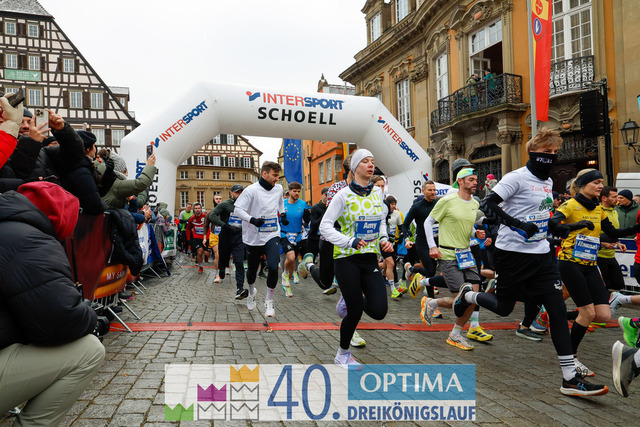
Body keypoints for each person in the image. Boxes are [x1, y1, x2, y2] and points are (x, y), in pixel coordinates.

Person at [453, 129, 608, 395]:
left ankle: (569, 379)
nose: (551, 156)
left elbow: (541, 217)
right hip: (511, 254)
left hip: (542, 254)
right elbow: (488, 205)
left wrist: (565, 228)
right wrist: (518, 225)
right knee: (503, 308)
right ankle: (468, 295)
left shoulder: (547, 181)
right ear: (533, 152)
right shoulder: (516, 177)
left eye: (555, 152)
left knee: (557, 309)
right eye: (546, 151)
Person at [0, 181, 106, 424]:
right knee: (89, 350)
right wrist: (92, 315)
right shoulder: (30, 240)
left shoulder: (9, 227)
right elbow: (61, 320)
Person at [549, 169, 640, 377]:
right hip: (570, 263)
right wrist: (576, 225)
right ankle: (571, 358)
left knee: (603, 314)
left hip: (590, 264)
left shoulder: (598, 208)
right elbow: (552, 225)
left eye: (601, 182)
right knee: (588, 313)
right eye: (596, 182)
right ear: (583, 185)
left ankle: (558, 315)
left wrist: (637, 228)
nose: (600, 186)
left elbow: (613, 233)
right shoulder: (570, 205)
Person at [320, 149, 391, 368]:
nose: (371, 165)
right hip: (346, 258)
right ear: (354, 168)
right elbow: (325, 226)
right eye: (365, 161)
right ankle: (342, 354)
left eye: (372, 161)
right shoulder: (343, 195)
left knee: (379, 311)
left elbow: (381, 221)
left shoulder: (377, 193)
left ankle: (349, 298)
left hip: (369, 258)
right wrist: (348, 241)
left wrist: (384, 239)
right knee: (356, 309)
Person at [419, 168, 489, 351]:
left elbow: (466, 225)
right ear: (460, 181)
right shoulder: (447, 201)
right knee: (463, 298)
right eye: (471, 179)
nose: (475, 182)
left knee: (473, 298)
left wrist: (476, 233)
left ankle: (454, 333)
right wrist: (432, 246)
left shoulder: (474, 203)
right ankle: (432, 304)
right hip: (448, 255)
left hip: (466, 255)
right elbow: (428, 222)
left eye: (476, 179)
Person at [234, 161, 285, 317]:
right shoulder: (251, 190)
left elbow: (280, 203)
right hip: (253, 235)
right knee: (252, 270)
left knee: (273, 267)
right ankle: (251, 292)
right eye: (274, 175)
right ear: (264, 174)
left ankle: (269, 300)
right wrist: (252, 220)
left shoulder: (278, 188)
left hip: (272, 233)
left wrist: (283, 214)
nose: (277, 179)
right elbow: (238, 210)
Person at [402, 181, 447, 315]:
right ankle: (432, 306)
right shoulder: (417, 207)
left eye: (434, 190)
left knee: (431, 272)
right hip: (422, 243)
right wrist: (407, 239)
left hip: (437, 242)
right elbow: (405, 224)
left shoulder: (439, 204)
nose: (433, 192)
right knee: (431, 271)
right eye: (429, 190)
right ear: (423, 191)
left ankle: (412, 269)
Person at [207, 184, 247, 299]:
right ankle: (221, 269)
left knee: (239, 262)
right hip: (225, 236)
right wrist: (224, 225)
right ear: (231, 193)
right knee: (223, 258)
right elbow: (212, 216)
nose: (239, 195)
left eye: (241, 192)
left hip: (239, 237)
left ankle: (240, 288)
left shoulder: (246, 205)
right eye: (237, 192)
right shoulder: (225, 204)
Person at [280, 181, 310, 297]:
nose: (297, 193)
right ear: (289, 191)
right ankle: (285, 275)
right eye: (294, 191)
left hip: (297, 236)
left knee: (293, 261)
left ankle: (287, 280)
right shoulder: (282, 204)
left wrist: (305, 224)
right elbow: (276, 217)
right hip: (284, 235)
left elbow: (306, 219)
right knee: (291, 257)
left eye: (298, 191)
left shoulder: (303, 204)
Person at [597, 186, 626, 292]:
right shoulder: (597, 211)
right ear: (604, 198)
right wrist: (602, 243)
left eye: (617, 197)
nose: (617, 199)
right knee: (603, 288)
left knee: (618, 284)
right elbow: (590, 233)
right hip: (598, 256)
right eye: (614, 197)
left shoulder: (615, 212)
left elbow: (612, 232)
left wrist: (617, 242)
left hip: (611, 255)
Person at [204, 194, 224, 281]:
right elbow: (205, 225)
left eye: (220, 199)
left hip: (224, 235)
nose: (218, 200)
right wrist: (205, 238)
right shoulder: (211, 212)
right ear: (213, 200)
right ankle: (217, 274)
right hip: (214, 235)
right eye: (216, 199)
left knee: (224, 255)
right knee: (217, 254)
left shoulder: (226, 211)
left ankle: (223, 269)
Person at [186, 202, 207, 273]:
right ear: (194, 210)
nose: (197, 210)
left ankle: (206, 257)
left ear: (201, 209)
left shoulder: (205, 216)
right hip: (196, 237)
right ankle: (200, 267)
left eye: (199, 208)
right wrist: (188, 239)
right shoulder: (192, 218)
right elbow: (188, 228)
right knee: (200, 251)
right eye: (196, 208)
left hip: (206, 237)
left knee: (207, 254)